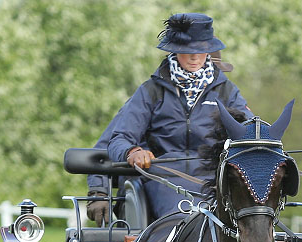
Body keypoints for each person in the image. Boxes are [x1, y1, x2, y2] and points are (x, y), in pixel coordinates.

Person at [86, 13, 252, 225]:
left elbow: (250, 132)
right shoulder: (151, 91)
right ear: (174, 50)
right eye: (187, 51)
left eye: (200, 50)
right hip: (161, 177)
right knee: (185, 222)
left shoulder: (227, 93)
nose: (194, 57)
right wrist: (133, 152)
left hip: (213, 179)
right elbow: (118, 139)